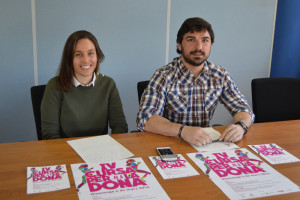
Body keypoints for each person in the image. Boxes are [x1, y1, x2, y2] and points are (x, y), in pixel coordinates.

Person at [136, 17, 254, 146]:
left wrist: (241, 126)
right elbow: (145, 119)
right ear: (179, 44)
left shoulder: (220, 75)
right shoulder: (164, 75)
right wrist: (182, 130)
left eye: (205, 40)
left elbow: (243, 109)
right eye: (191, 40)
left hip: (204, 145)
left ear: (211, 45)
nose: (199, 47)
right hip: (170, 143)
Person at [41, 30, 128, 139]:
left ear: (97, 56)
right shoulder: (54, 86)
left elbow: (120, 126)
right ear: (69, 59)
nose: (86, 60)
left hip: (101, 150)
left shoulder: (108, 84)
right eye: (78, 54)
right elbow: (50, 134)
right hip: (66, 151)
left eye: (91, 53)